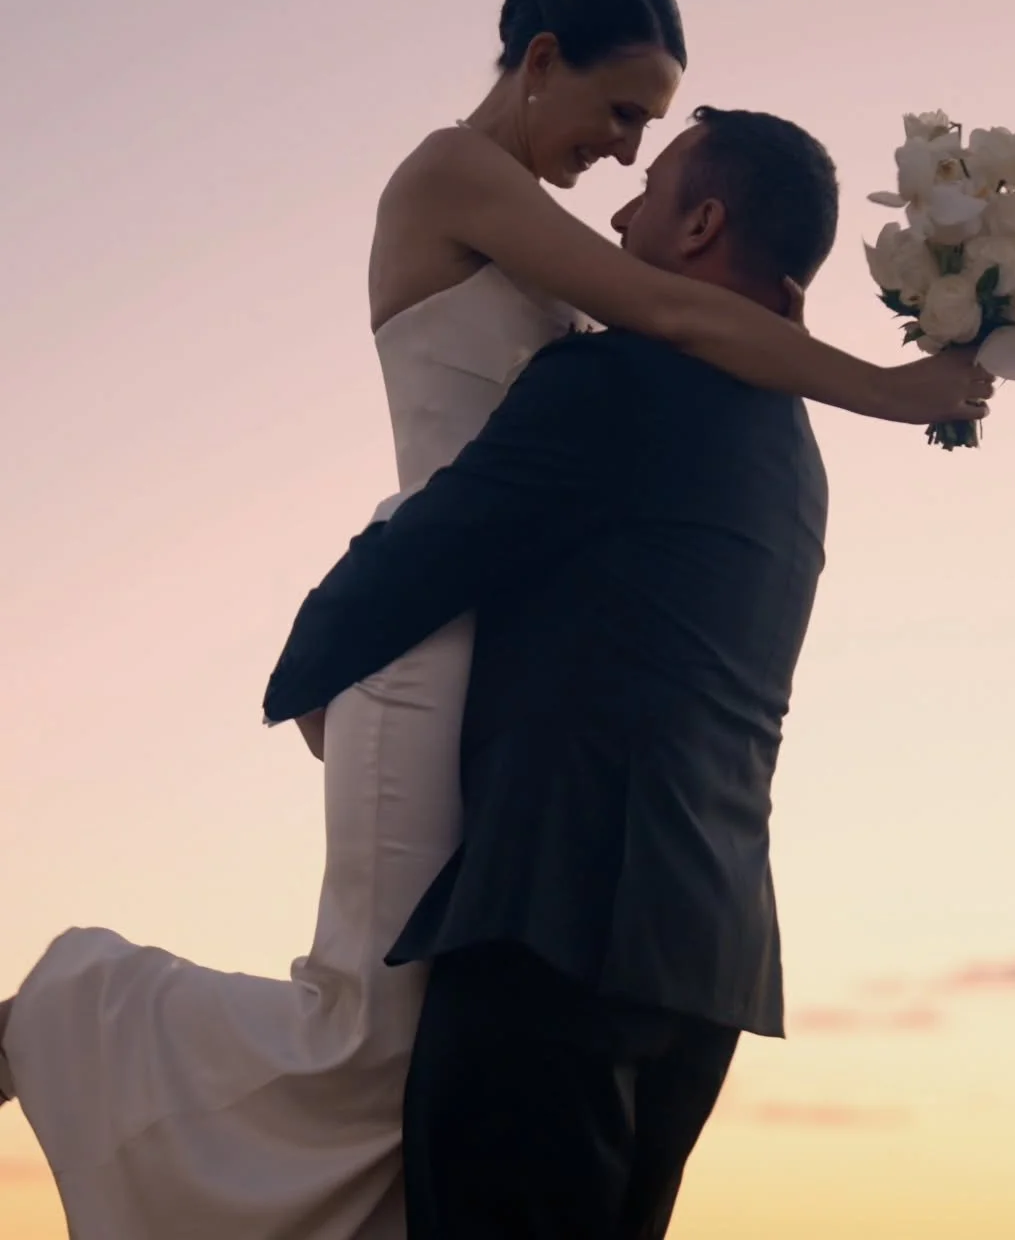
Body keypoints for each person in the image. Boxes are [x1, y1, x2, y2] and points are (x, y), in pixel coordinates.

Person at [0, 0, 992, 1238]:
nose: (624, 154)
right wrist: (894, 388)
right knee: (368, 1034)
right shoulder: (453, 176)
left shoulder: (569, 260)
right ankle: (70, 1015)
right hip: (420, 638)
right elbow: (678, 312)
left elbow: (689, 340)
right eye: (622, 110)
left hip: (494, 664)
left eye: (651, 132)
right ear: (539, 61)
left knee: (414, 1054)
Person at [264, 106, 841, 1238]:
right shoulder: (794, 449)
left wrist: (307, 674)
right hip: (710, 961)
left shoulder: (615, 380)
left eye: (651, 189)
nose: (617, 216)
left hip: (560, 931)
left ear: (702, 224)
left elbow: (441, 536)